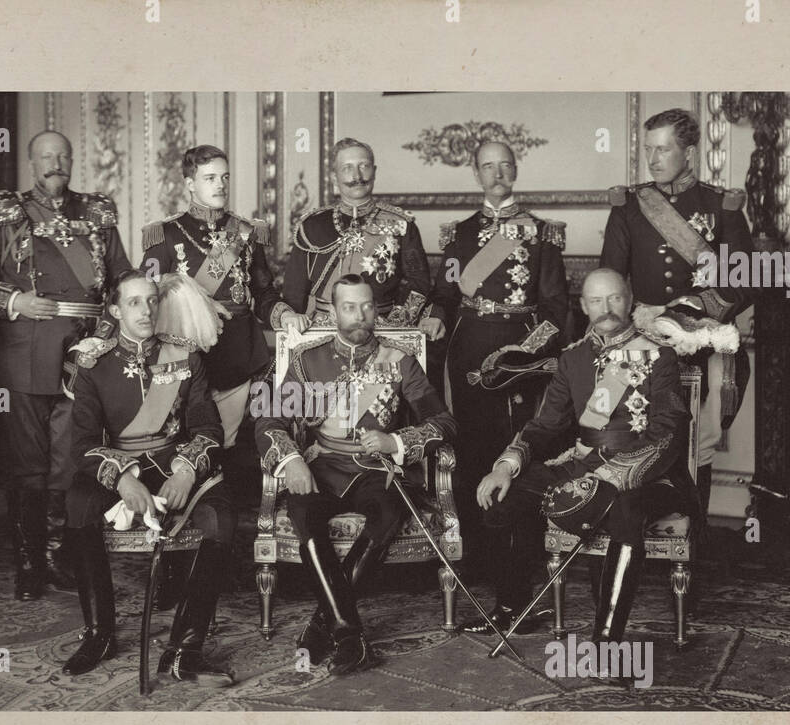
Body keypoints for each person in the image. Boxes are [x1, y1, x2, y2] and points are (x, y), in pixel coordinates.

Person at [473, 269, 693, 645]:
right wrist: (506, 466)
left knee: (627, 510)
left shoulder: (659, 356)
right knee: (503, 499)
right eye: (596, 301)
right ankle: (514, 608)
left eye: (614, 298)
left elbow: (669, 430)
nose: (606, 309)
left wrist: (615, 475)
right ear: (583, 305)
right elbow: (544, 426)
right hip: (584, 463)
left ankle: (607, 641)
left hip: (652, 475)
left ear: (630, 297)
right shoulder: (572, 360)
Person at [255, 275, 456, 674]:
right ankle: (349, 635)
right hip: (322, 464)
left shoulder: (399, 360)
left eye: (367, 306)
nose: (361, 315)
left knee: (388, 515)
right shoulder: (305, 360)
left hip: (374, 469)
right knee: (305, 518)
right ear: (332, 311)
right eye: (350, 307)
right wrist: (292, 462)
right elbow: (268, 420)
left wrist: (396, 441)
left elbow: (444, 422)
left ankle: (323, 624)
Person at [0, 130, 132, 601]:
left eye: (63, 155)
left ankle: (59, 554)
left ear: (73, 160)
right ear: (32, 163)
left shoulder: (96, 213)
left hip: (86, 350)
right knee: (27, 462)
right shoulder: (8, 212)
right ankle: (28, 563)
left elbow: (120, 275)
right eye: (46, 157)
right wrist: (15, 299)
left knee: (69, 459)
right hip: (26, 346)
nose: (55, 163)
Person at [60, 271, 235, 687]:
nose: (146, 310)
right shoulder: (92, 365)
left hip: (175, 460)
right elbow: (82, 443)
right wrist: (122, 478)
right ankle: (100, 633)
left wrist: (188, 471)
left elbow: (209, 431)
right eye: (135, 302)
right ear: (116, 310)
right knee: (77, 505)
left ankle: (183, 650)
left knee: (222, 518)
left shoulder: (185, 356)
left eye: (152, 300)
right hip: (120, 461)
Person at [599, 108, 755, 519]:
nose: (653, 159)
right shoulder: (629, 206)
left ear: (688, 151)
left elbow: (744, 283)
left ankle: (692, 538)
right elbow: (612, 283)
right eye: (648, 150)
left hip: (703, 345)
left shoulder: (722, 205)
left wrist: (686, 311)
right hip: (642, 347)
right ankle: (637, 536)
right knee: (636, 437)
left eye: (663, 149)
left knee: (697, 444)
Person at [431, 140, 569, 580]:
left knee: (516, 451)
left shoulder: (542, 233)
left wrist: (527, 354)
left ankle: (520, 560)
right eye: (487, 167)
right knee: (471, 449)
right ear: (476, 174)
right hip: (469, 350)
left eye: (504, 166)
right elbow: (445, 294)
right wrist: (434, 316)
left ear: (515, 170)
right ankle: (477, 556)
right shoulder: (460, 233)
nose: (497, 174)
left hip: (520, 353)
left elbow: (554, 306)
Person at [140, 144, 278, 448]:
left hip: (239, 354)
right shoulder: (165, 233)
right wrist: (196, 300)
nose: (220, 185)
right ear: (190, 184)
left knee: (232, 448)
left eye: (225, 177)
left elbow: (264, 292)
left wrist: (284, 315)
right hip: (186, 355)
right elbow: (145, 294)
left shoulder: (244, 232)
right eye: (210, 178)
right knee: (186, 440)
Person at [272, 138, 441, 341]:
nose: (357, 176)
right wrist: (292, 327)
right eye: (347, 168)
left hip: (380, 332)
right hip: (321, 333)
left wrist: (395, 325)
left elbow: (419, 284)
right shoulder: (312, 225)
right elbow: (293, 292)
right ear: (334, 178)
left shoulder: (401, 225)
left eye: (364, 166)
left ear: (375, 171)